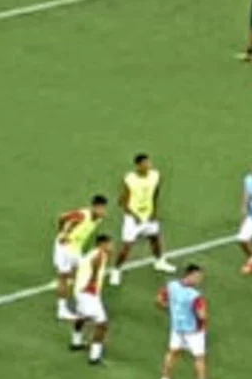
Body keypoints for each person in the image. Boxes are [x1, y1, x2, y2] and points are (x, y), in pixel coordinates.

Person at [157, 263, 216, 379]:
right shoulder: (195, 295)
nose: (200, 280)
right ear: (190, 275)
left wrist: (172, 310)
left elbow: (159, 301)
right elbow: (202, 315)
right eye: (198, 277)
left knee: (172, 354)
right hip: (194, 331)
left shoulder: (171, 286)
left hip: (177, 328)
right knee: (199, 358)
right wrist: (204, 326)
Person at [116, 152, 174, 276]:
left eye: (149, 162)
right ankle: (116, 270)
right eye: (145, 163)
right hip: (133, 218)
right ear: (138, 166)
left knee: (155, 238)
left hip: (149, 216)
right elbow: (122, 202)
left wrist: (154, 211)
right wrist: (134, 216)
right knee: (127, 246)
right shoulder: (129, 179)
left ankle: (159, 262)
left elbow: (155, 194)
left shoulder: (155, 176)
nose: (148, 165)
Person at [53, 194, 107, 322]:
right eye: (100, 208)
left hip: (75, 249)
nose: (103, 211)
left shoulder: (98, 219)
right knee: (63, 276)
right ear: (93, 207)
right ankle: (62, 310)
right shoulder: (83, 215)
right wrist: (62, 233)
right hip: (65, 248)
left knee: (82, 272)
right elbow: (63, 217)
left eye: (104, 208)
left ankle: (81, 302)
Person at [69, 233, 113, 365]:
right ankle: (94, 356)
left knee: (82, 316)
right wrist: (92, 285)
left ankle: (75, 342)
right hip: (89, 293)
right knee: (102, 324)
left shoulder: (92, 253)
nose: (112, 246)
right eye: (109, 244)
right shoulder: (99, 255)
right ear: (102, 244)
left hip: (79, 290)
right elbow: (95, 268)